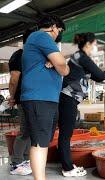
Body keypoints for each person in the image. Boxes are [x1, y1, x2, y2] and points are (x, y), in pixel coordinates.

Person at [21, 15, 69, 180]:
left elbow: (59, 63)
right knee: (39, 143)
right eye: (59, 31)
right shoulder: (42, 36)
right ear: (54, 27)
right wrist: (58, 63)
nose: (58, 34)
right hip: (39, 97)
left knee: (43, 141)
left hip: (45, 98)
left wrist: (55, 61)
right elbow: (64, 67)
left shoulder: (36, 40)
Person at [58, 32, 105, 177]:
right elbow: (100, 75)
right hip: (67, 97)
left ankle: (67, 164)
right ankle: (67, 168)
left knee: (65, 133)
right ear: (88, 44)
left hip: (67, 98)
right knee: (65, 135)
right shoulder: (82, 57)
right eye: (94, 44)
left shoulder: (78, 56)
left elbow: (96, 77)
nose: (95, 47)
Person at [8, 29, 33, 176]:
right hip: (23, 98)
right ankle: (16, 163)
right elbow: (14, 79)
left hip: (31, 98)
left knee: (29, 131)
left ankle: (24, 160)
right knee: (24, 131)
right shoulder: (19, 55)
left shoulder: (31, 55)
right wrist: (12, 96)